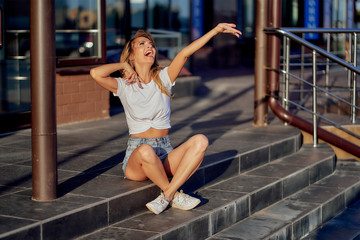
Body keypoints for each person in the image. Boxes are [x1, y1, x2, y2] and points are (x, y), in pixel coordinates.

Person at [90, 23, 241, 215]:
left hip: (164, 151)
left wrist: (215, 31)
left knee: (200, 140)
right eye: (142, 44)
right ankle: (176, 195)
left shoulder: (164, 78)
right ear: (131, 54)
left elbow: (185, 53)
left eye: (151, 44)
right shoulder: (122, 85)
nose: (149, 47)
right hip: (137, 159)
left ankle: (168, 195)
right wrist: (123, 66)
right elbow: (95, 73)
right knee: (145, 150)